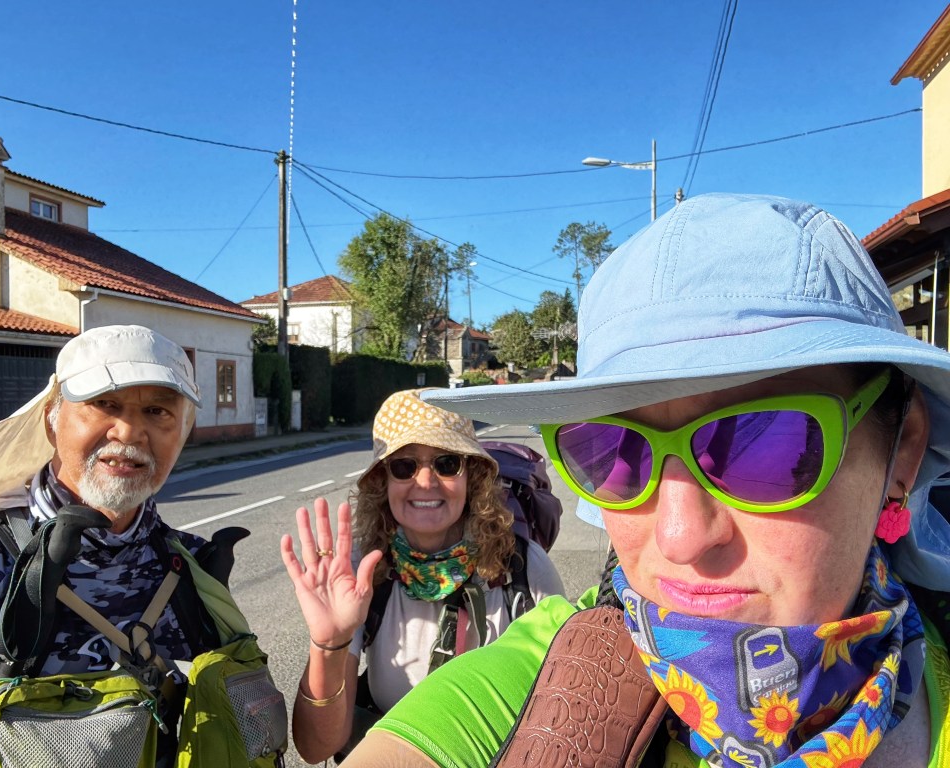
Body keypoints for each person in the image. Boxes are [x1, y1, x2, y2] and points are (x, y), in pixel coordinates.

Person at [336, 193, 950, 767]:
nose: (680, 537)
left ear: (902, 450)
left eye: (764, 444)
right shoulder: (538, 687)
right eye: (614, 450)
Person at [0, 325, 255, 767]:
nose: (129, 431)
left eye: (157, 411)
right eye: (105, 404)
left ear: (180, 432)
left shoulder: (194, 566)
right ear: (52, 418)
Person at [280, 388, 566, 764]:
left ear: (472, 476)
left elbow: (564, 710)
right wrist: (329, 643)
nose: (426, 482)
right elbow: (317, 748)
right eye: (404, 466)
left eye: (447, 463)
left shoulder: (523, 568)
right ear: (383, 481)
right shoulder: (364, 576)